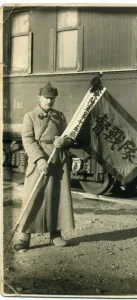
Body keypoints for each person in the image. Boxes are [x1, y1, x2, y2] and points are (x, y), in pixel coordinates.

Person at [14, 82, 75, 250]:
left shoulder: (60, 116)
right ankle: (24, 237)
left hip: (57, 162)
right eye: (47, 98)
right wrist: (39, 159)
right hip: (37, 162)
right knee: (33, 197)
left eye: (52, 98)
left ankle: (55, 235)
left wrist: (65, 141)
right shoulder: (30, 116)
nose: (49, 101)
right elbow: (28, 140)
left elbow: (70, 136)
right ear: (39, 98)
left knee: (56, 198)